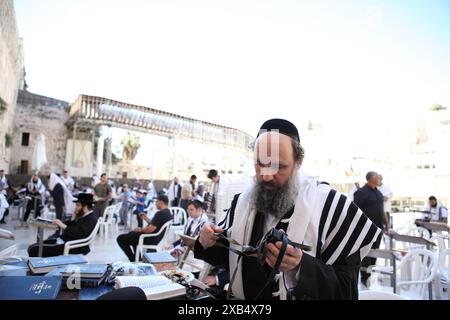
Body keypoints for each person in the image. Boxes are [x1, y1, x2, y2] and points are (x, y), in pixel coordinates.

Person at [194, 118, 381, 300]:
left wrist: (300, 266)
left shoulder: (332, 206)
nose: (266, 176)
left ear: (298, 161)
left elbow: (347, 290)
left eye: (278, 166)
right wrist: (206, 240)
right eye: (260, 164)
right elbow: (230, 257)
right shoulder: (243, 202)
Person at [27, 193, 98, 257]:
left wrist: (62, 225)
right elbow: (73, 229)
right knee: (33, 247)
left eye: (78, 205)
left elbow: (79, 234)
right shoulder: (84, 216)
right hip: (64, 241)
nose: (76, 208)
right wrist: (72, 219)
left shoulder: (91, 218)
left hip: (74, 246)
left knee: (34, 250)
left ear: (85, 207)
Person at [353, 171, 386, 288]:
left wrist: (386, 225)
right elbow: (355, 211)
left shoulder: (379, 193)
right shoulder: (360, 193)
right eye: (378, 177)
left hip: (378, 229)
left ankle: (369, 274)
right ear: (371, 178)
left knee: (374, 253)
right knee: (365, 253)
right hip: (365, 230)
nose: (379, 179)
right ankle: (363, 277)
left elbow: (382, 210)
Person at [117, 194, 173, 262]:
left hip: (150, 238)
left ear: (161, 202)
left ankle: (133, 259)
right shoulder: (168, 212)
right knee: (132, 234)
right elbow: (155, 224)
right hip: (155, 237)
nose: (155, 203)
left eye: (156, 201)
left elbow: (150, 229)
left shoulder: (160, 213)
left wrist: (140, 229)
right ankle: (137, 259)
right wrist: (145, 218)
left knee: (120, 239)